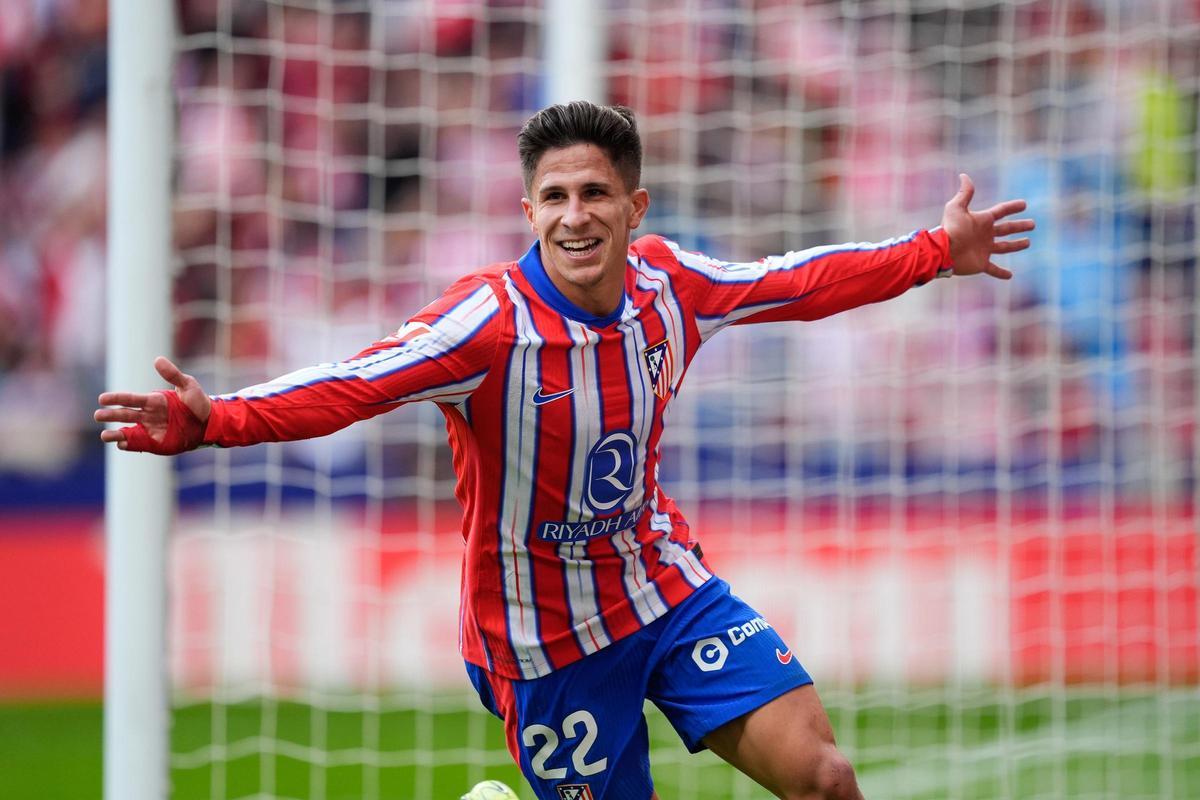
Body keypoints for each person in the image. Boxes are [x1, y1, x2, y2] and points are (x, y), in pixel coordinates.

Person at [96, 102, 1033, 800]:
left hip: (662, 590)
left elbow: (796, 281)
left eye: (593, 194)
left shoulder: (674, 285)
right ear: (527, 209)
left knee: (826, 778)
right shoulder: (485, 326)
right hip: (541, 645)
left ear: (635, 207)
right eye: (553, 197)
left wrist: (931, 250)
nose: (573, 216)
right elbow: (355, 382)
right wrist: (217, 419)